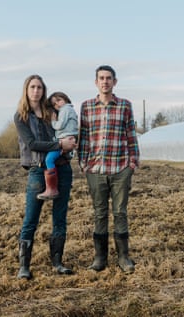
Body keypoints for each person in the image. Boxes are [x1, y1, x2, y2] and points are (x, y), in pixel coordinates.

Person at [78, 65, 140, 274]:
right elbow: (84, 137)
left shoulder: (125, 106)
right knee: (100, 213)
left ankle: (123, 257)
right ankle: (100, 258)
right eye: (101, 78)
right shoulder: (86, 107)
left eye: (109, 78)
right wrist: (84, 164)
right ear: (96, 82)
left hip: (120, 167)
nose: (105, 81)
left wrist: (132, 162)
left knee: (120, 212)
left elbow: (131, 133)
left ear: (115, 82)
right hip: (95, 169)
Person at [14, 75, 77, 279]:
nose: (36, 91)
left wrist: (70, 142)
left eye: (40, 87)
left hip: (63, 168)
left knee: (60, 217)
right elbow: (32, 144)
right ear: (26, 89)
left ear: (43, 90)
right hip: (38, 170)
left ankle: (58, 262)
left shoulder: (51, 112)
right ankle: (24, 266)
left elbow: (68, 127)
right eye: (32, 87)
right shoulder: (21, 116)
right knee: (31, 218)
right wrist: (60, 145)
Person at [37, 92, 79, 200]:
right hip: (68, 138)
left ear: (65, 99)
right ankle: (62, 183)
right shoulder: (71, 110)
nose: (58, 105)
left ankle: (52, 189)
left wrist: (53, 121)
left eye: (59, 100)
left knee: (49, 160)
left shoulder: (65, 109)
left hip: (64, 140)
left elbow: (60, 125)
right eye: (55, 104)